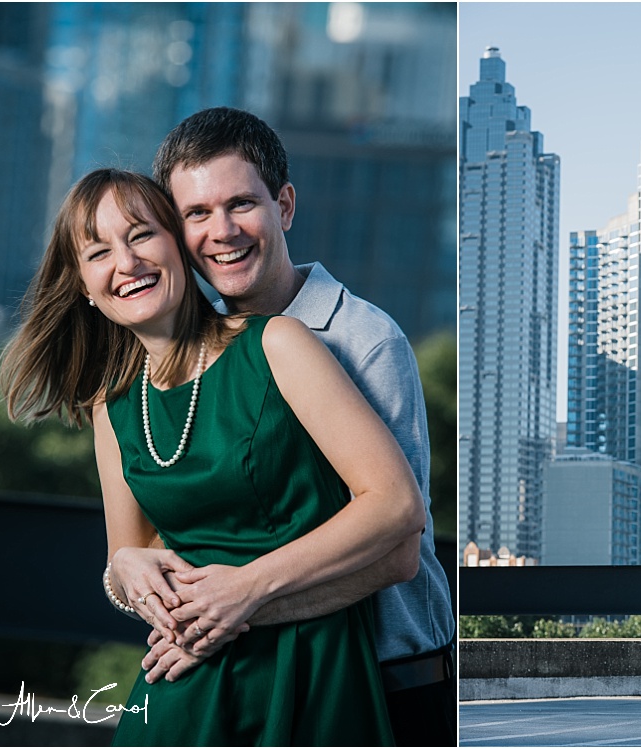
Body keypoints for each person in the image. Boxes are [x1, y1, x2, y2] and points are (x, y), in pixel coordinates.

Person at [0, 169, 426, 744]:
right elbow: (129, 561)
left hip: (312, 671)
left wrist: (245, 590)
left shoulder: (279, 343)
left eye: (142, 235)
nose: (126, 263)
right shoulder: (112, 405)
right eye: (99, 252)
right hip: (185, 679)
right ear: (83, 285)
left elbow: (396, 505)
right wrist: (122, 570)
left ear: (176, 243)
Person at [133, 107, 456, 746]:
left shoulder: (363, 338)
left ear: (284, 205)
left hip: (392, 676)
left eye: (241, 204)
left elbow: (396, 549)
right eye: (196, 213)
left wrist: (234, 607)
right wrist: (127, 566)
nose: (221, 232)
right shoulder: (189, 353)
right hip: (258, 672)